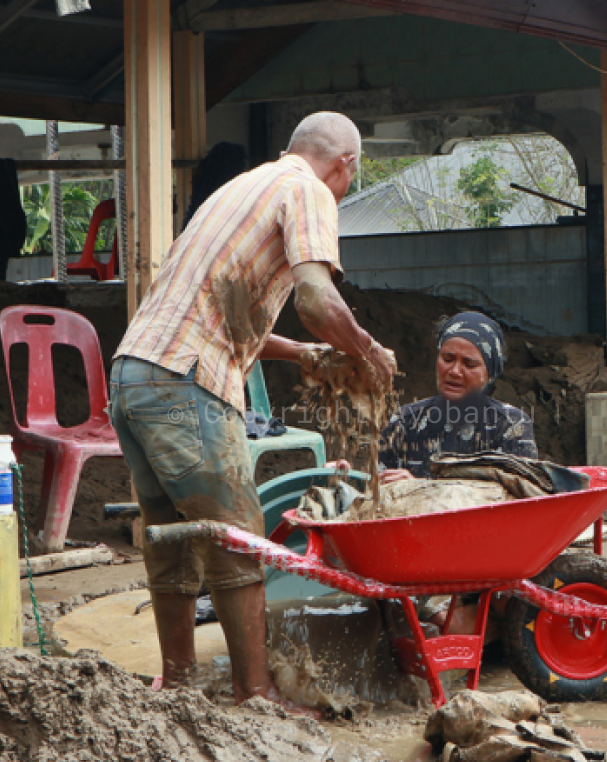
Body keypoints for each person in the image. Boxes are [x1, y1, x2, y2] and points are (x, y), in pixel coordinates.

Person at [109, 111, 396, 706]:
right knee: (239, 542)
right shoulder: (309, 189)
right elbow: (317, 298)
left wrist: (303, 355)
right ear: (345, 166)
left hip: (133, 378)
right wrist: (367, 352)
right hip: (186, 385)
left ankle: (181, 685)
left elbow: (221, 315)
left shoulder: (237, 190)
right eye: (349, 179)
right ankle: (256, 694)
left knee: (173, 542)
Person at [377, 310, 537, 636]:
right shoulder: (406, 421)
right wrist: (354, 475)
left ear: (490, 372)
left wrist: (423, 489)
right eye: (447, 358)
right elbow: (376, 486)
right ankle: (455, 620)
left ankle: (471, 618)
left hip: (484, 554)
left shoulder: (510, 425)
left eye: (469, 363)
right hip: (418, 558)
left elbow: (518, 498)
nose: (454, 370)